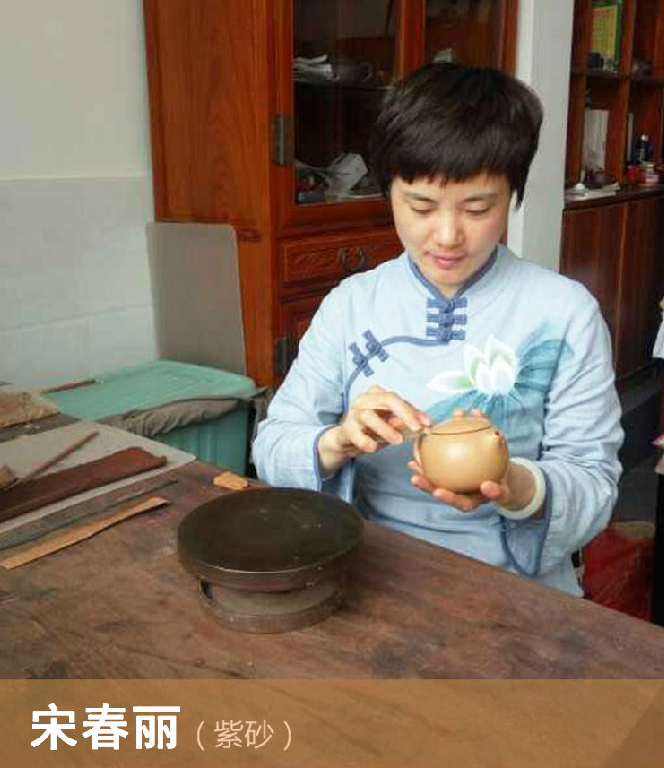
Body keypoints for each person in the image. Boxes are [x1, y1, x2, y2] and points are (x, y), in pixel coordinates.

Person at [253, 62, 623, 596]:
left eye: (478, 208)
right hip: (369, 573)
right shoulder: (351, 306)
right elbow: (273, 446)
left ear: (513, 196)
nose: (447, 236)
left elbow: (593, 480)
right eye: (421, 206)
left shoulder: (565, 313)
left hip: (515, 588)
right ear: (388, 192)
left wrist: (515, 485)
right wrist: (337, 441)